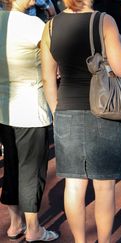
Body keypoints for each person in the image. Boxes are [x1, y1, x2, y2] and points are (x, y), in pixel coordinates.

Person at [41, 0, 121, 242]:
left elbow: (48, 78)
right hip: (103, 109)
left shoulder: (50, 26)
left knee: (74, 185)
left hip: (66, 109)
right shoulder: (104, 21)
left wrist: (56, 111)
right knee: (104, 187)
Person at [0, 0, 59, 241]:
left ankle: (16, 224)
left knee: (13, 166)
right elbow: (55, 59)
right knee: (32, 171)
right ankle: (34, 229)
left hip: (4, 109)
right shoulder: (34, 25)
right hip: (31, 109)